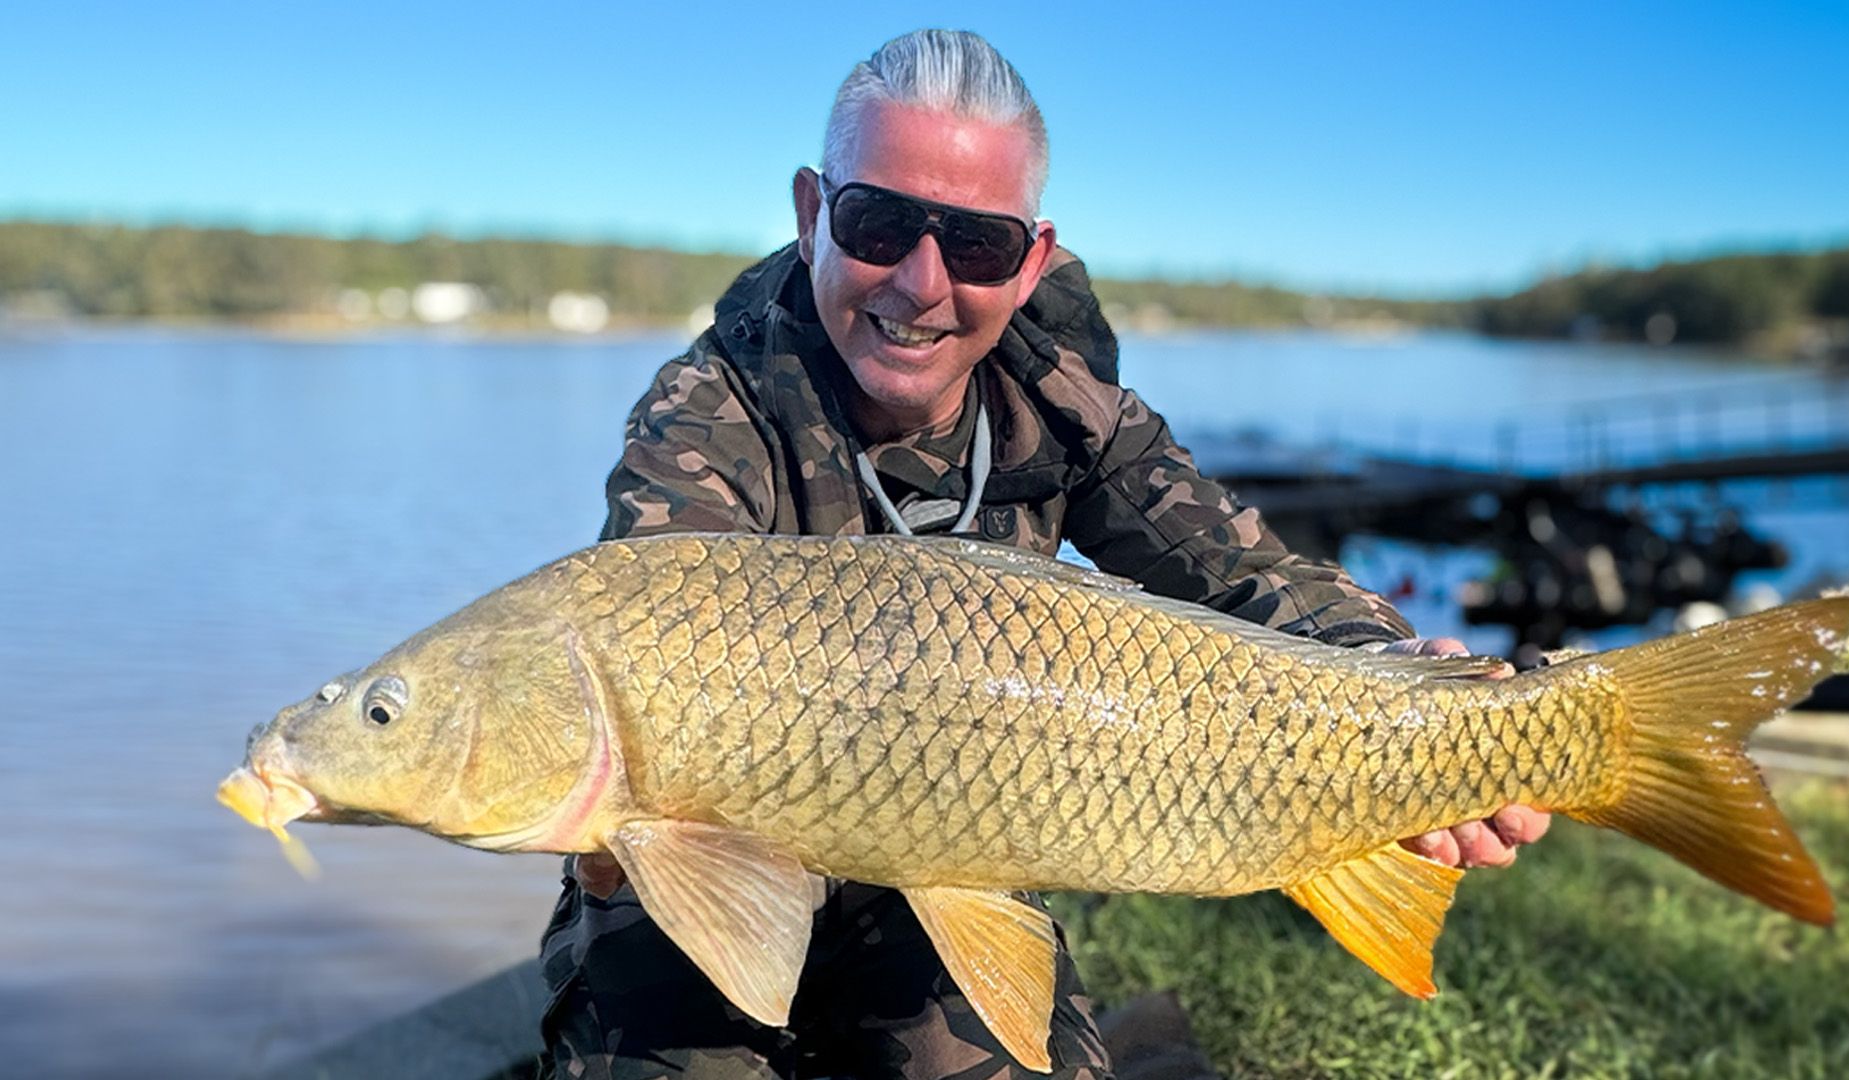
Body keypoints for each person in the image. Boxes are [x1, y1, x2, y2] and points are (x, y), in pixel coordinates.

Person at [539, 29, 1550, 1079]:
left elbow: (1247, 576)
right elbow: (639, 676)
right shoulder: (707, 413)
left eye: (975, 244)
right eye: (879, 223)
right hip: (715, 862)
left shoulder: (1068, 406)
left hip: (955, 858)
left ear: (1028, 261)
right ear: (811, 216)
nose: (923, 284)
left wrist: (1407, 680)